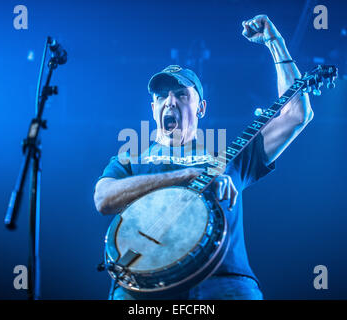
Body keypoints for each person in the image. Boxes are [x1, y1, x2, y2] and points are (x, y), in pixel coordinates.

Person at [94, 15, 313, 300]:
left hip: (224, 283)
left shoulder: (227, 156)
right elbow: (103, 199)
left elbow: (297, 114)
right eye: (162, 97)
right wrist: (186, 176)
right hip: (142, 288)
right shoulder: (131, 158)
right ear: (152, 108)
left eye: (181, 95)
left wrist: (276, 43)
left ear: (201, 108)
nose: (170, 101)